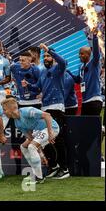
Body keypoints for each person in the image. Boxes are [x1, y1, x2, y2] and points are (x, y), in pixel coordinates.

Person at [23, 43, 69, 180]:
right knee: (45, 139)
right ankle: (54, 166)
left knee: (58, 139)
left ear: (53, 58)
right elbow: (38, 88)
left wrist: (48, 50)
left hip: (56, 107)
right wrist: (28, 86)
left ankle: (65, 168)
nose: (46, 58)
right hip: (45, 108)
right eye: (45, 56)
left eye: (49, 56)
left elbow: (63, 61)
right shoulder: (43, 71)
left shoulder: (59, 68)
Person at [1, 97, 60, 186]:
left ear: (11, 109)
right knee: (23, 147)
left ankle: (39, 177)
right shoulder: (17, 123)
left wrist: (50, 132)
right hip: (39, 131)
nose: (3, 112)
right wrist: (41, 154)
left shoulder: (27, 111)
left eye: (4, 109)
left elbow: (47, 115)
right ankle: (36, 173)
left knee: (31, 147)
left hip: (51, 128)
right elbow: (31, 138)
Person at [72, 27, 103, 116]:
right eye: (79, 54)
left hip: (94, 100)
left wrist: (95, 37)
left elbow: (97, 53)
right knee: (85, 127)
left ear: (88, 54)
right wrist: (68, 72)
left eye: (81, 53)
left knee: (92, 126)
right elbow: (78, 80)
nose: (79, 56)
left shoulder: (94, 63)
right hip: (85, 101)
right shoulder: (81, 67)